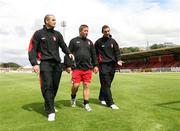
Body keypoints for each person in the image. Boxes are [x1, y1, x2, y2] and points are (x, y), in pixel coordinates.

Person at [28, 14, 74, 121]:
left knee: (54, 86)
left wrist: (69, 53)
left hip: (57, 64)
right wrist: (34, 63)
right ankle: (50, 111)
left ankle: (48, 104)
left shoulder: (57, 34)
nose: (55, 22)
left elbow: (63, 46)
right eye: (53, 20)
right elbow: (32, 49)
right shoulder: (38, 34)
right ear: (46, 21)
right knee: (47, 86)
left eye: (55, 20)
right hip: (45, 64)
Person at [64, 24, 98, 112]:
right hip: (76, 68)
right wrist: (67, 65)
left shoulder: (90, 42)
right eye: (85, 31)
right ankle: (73, 98)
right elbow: (68, 53)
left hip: (87, 68)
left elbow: (94, 55)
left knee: (86, 85)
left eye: (87, 31)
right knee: (76, 85)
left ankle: (86, 104)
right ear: (80, 31)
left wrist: (95, 65)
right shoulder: (74, 41)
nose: (87, 32)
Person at [95, 25, 123, 109]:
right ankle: (110, 103)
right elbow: (95, 55)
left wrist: (118, 60)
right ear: (102, 32)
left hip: (112, 65)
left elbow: (117, 52)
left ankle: (101, 97)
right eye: (105, 31)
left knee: (107, 83)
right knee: (106, 83)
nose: (107, 33)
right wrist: (95, 65)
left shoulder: (113, 41)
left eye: (108, 31)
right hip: (103, 65)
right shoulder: (98, 42)